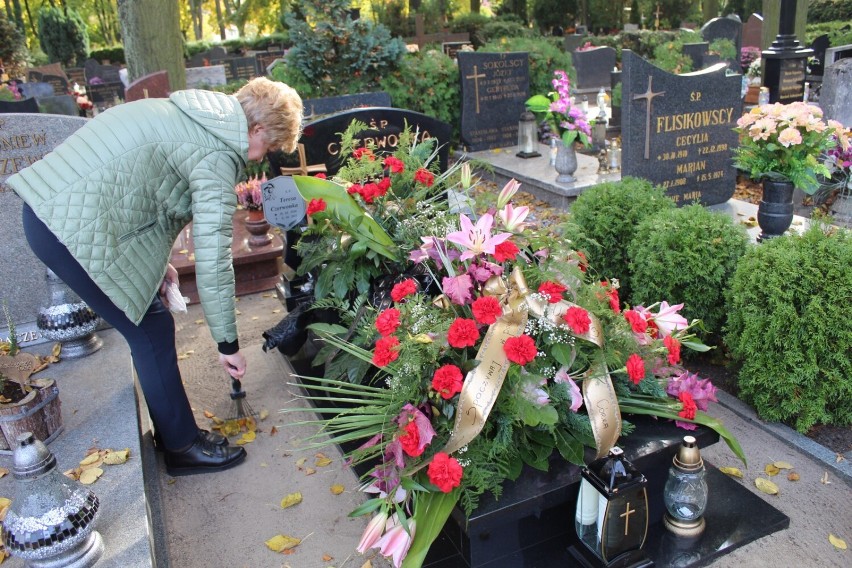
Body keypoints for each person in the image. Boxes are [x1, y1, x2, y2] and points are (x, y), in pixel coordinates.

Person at [8, 77, 303, 476]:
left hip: (56, 214)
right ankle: (183, 448)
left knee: (150, 322)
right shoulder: (217, 153)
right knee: (150, 329)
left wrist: (157, 263)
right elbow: (214, 259)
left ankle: (173, 431)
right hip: (68, 229)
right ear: (257, 129)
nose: (258, 158)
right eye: (266, 147)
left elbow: (145, 197)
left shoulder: (188, 114)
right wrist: (228, 344)